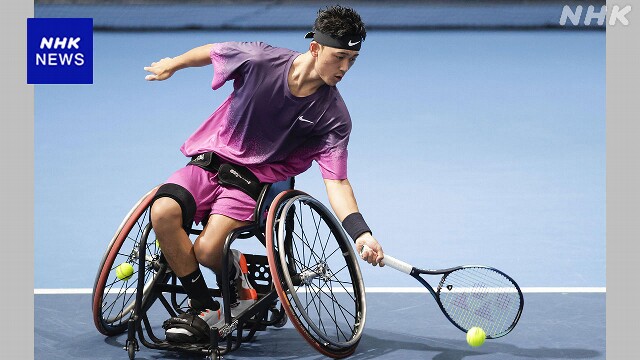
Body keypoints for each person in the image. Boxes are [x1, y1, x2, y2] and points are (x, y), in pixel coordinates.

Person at [144, 5, 384, 343]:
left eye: (353, 60)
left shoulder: (334, 117)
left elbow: (337, 181)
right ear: (315, 48)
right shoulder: (259, 60)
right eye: (340, 56)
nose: (345, 67)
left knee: (208, 249)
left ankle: (236, 277)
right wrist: (173, 63)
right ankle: (200, 304)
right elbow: (213, 51)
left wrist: (361, 232)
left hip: (255, 181)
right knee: (162, 211)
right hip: (212, 157)